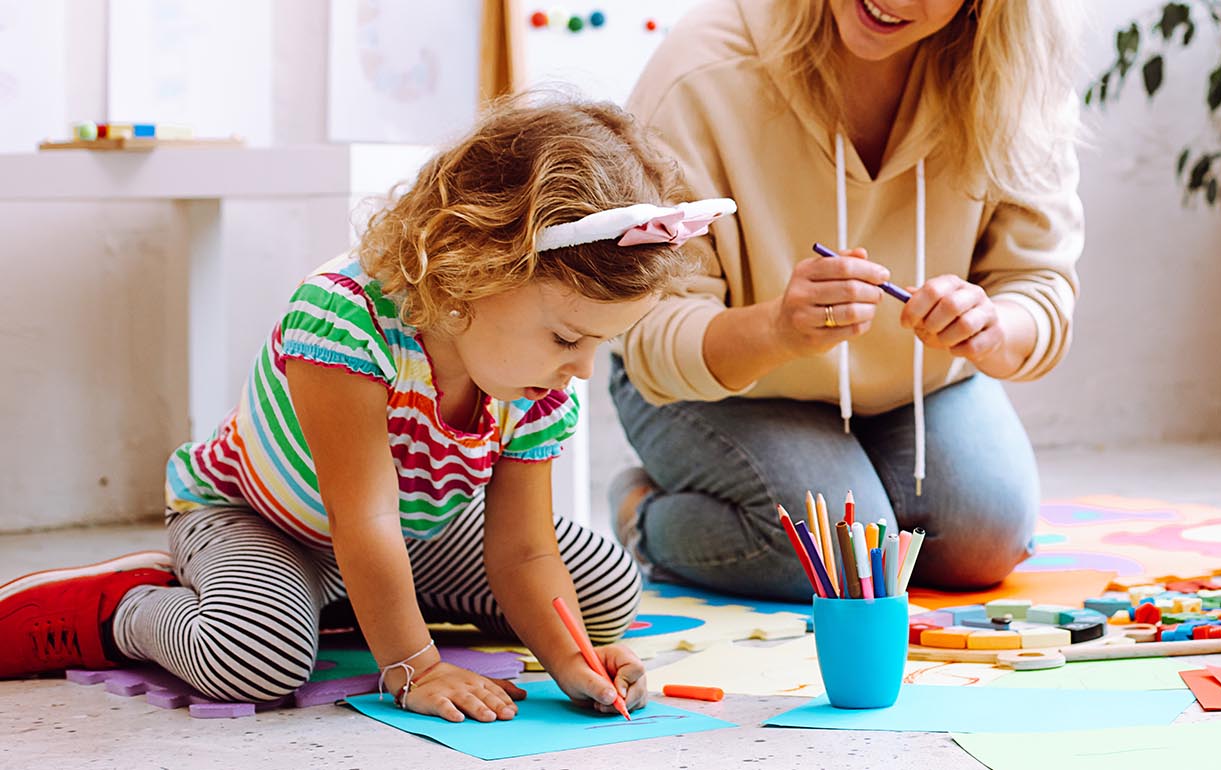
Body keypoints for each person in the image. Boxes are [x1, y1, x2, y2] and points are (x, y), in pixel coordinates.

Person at [0, 95, 734, 722]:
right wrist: (413, 666)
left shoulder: (534, 383)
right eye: (569, 338)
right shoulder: (343, 319)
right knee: (257, 660)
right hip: (265, 520)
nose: (579, 371)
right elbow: (364, 519)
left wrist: (576, 662)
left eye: (598, 347)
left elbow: (524, 550)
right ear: (470, 270)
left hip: (407, 534)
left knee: (603, 587)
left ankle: (348, 606)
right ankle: (128, 608)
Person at [609, 0, 1085, 601]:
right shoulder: (702, 69)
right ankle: (638, 512)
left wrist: (993, 327)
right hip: (712, 385)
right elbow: (648, 325)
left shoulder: (1015, 72)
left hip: (910, 389)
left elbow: (1038, 288)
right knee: (838, 558)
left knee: (986, 539)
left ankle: (845, 477)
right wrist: (777, 330)